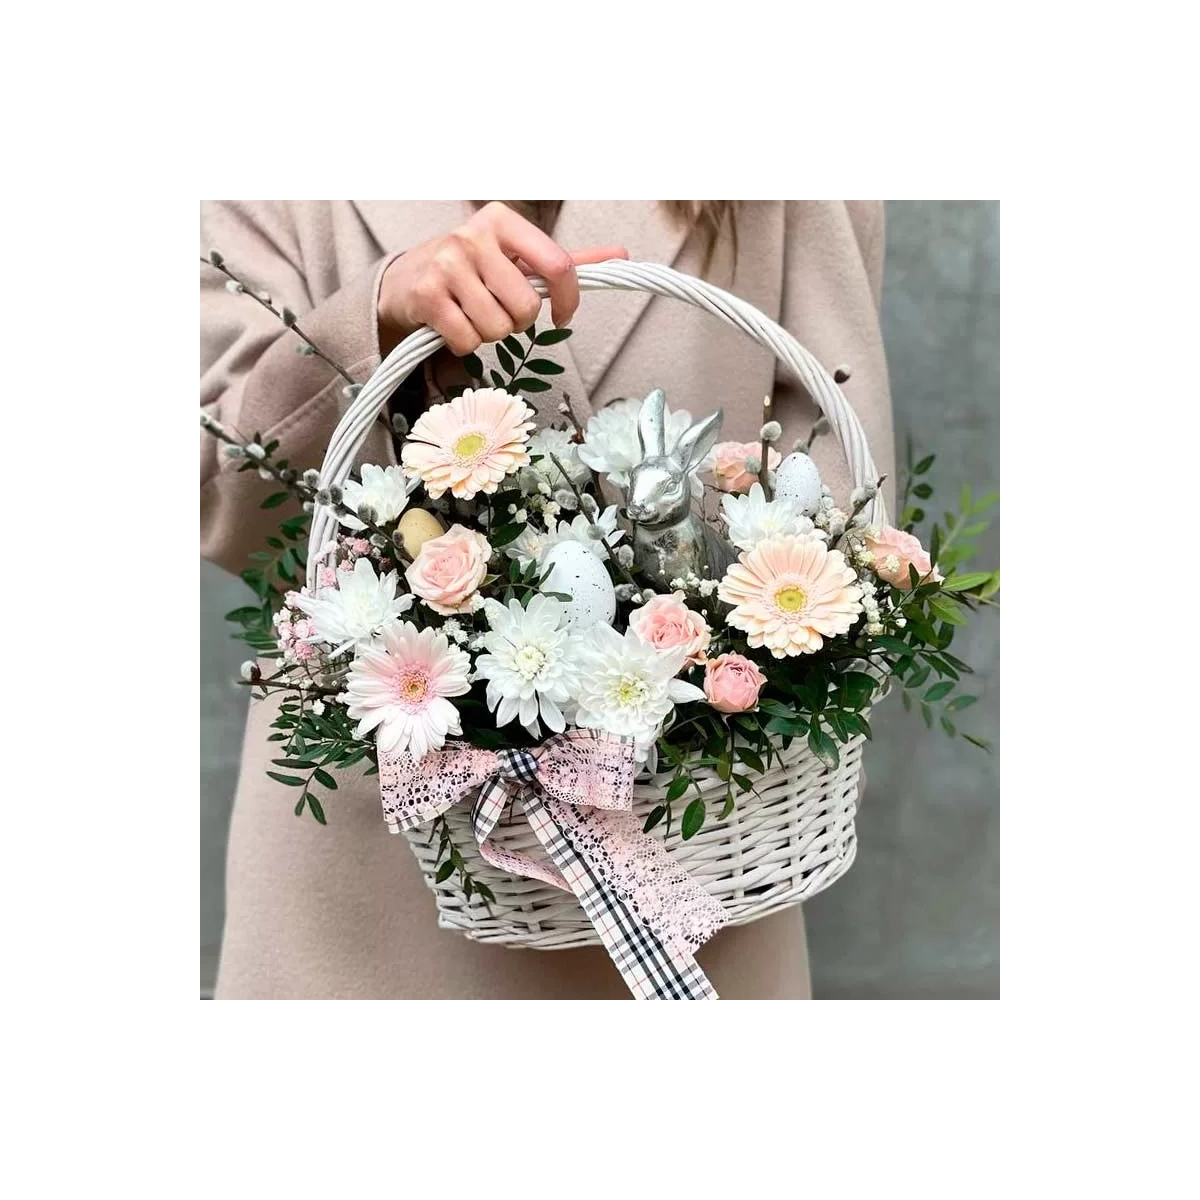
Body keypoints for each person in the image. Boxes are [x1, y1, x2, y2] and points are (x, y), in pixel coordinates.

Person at [201, 200, 895, 1000]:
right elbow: (222, 500)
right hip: (370, 887)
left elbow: (847, 522)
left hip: (690, 862)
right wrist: (373, 316)